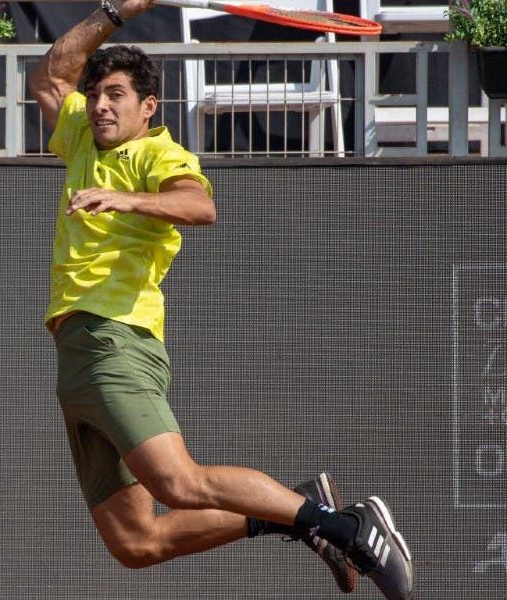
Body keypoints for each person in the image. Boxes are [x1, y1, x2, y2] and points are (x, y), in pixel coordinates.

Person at [28, 1, 415, 598]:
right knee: (136, 544)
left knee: (180, 485)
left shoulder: (159, 154)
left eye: (116, 95)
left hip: (114, 340)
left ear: (148, 106)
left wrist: (127, 199)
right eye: (97, 94)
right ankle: (293, 512)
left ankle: (349, 528)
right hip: (76, 362)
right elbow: (53, 73)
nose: (101, 105)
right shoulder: (81, 134)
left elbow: (198, 205)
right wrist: (114, 11)